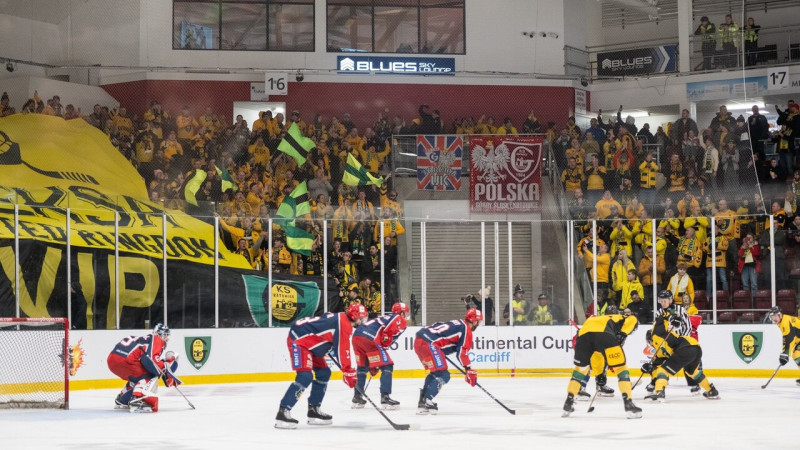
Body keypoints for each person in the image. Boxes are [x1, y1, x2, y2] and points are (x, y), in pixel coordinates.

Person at [275, 303, 368, 429]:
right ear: (355, 317)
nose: (363, 321)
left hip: (311, 343)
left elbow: (325, 324)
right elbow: (343, 351)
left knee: (324, 372)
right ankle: (283, 412)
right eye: (361, 318)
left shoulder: (341, 317)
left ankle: (314, 409)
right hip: (299, 341)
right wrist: (349, 372)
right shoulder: (344, 325)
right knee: (305, 376)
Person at [561, 312, 642, 419]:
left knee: (579, 371)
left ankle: (569, 401)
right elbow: (632, 319)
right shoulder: (621, 318)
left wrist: (599, 375)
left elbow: (596, 355)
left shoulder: (598, 319)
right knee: (621, 368)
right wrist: (623, 333)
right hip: (604, 335)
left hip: (582, 337)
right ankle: (628, 403)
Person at [414, 308, 482, 414]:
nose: (478, 324)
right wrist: (468, 369)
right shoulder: (466, 329)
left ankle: (422, 402)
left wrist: (440, 350)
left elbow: (436, 326)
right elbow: (462, 352)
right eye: (478, 321)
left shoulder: (456, 323)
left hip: (418, 341)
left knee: (435, 373)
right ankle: (427, 399)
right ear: (474, 321)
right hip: (430, 344)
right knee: (444, 375)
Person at [106, 323, 180, 412]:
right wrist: (163, 369)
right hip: (125, 360)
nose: (166, 338)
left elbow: (146, 359)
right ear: (157, 333)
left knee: (139, 377)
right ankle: (137, 398)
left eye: (167, 335)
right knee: (150, 375)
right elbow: (150, 359)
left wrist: (162, 368)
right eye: (164, 334)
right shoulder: (156, 339)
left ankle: (122, 399)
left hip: (112, 360)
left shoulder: (145, 340)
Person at [351, 302, 409, 409]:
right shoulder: (398, 318)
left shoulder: (384, 317)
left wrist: (374, 364)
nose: (406, 315)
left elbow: (383, 339)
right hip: (369, 338)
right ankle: (385, 397)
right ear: (401, 313)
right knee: (387, 366)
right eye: (405, 313)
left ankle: (357, 396)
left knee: (362, 367)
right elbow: (386, 337)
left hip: (357, 337)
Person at [641, 327, 719, 402]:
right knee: (692, 372)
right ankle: (712, 390)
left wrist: (652, 370)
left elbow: (657, 368)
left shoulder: (660, 339)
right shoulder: (661, 344)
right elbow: (656, 364)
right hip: (696, 348)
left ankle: (659, 392)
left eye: (649, 341)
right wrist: (650, 367)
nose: (650, 344)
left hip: (684, 348)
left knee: (662, 370)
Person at [767, 306, 800, 386]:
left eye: (775, 316)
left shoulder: (785, 322)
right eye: (772, 316)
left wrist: (785, 354)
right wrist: (785, 354)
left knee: (796, 354)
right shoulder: (782, 321)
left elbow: (789, 339)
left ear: (780, 315)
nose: (774, 318)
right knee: (796, 354)